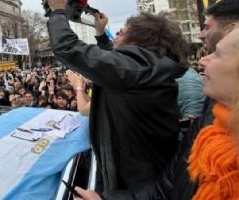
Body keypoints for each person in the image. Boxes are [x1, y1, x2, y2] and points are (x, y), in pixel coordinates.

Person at [74, 26, 239, 200]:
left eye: (218, 54)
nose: (203, 60)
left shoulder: (163, 82)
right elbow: (167, 186)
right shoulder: (208, 124)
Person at [47, 0, 189, 192]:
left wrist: (58, 12)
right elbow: (116, 68)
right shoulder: (145, 68)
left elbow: (68, 49)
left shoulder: (136, 69)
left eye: (122, 32)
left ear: (139, 42)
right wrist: (100, 33)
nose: (116, 34)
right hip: (137, 173)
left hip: (135, 184)